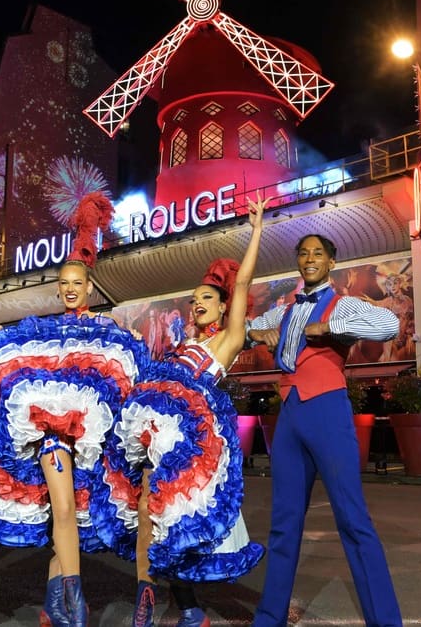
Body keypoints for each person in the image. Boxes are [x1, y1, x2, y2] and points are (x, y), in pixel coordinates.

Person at [0, 193, 145, 627]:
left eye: (77, 283)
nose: (70, 289)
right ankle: (76, 605)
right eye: (63, 283)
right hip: (51, 435)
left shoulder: (109, 330)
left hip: (94, 443)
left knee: (75, 523)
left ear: (89, 287)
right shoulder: (43, 332)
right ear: (58, 286)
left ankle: (54, 605)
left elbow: (128, 382)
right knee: (64, 511)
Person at [100, 195, 268, 627]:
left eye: (206, 298)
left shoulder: (225, 342)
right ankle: (154, 598)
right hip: (154, 438)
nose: (197, 304)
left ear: (224, 305)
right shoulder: (180, 346)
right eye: (194, 298)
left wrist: (257, 232)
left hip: (193, 444)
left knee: (172, 521)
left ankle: (185, 606)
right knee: (148, 514)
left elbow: (244, 285)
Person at [246, 233, 403, 627]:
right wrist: (255, 333)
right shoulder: (284, 309)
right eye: (303, 253)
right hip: (289, 417)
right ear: (297, 262)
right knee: (283, 524)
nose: (310, 258)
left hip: (328, 411)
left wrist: (330, 325)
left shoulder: (343, 303)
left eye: (318, 253)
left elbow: (389, 324)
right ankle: (270, 619)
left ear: (331, 262)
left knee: (352, 519)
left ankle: (385, 622)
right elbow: (248, 325)